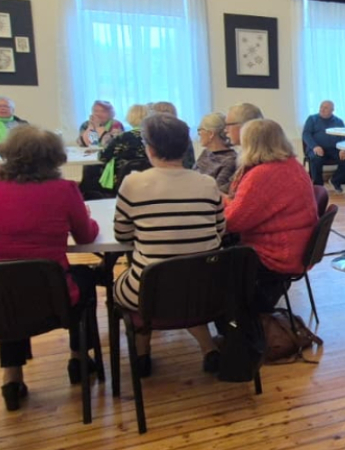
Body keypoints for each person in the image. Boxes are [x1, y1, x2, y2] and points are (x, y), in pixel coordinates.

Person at [0, 126, 100, 409]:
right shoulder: (63, 190)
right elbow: (86, 236)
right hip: (47, 298)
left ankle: (11, 376)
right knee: (84, 278)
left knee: (7, 280)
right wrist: (87, 216)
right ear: (54, 158)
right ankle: (78, 358)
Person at [112, 115, 225, 375]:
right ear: (186, 147)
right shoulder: (207, 183)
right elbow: (220, 229)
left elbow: (122, 236)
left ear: (149, 148)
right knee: (183, 279)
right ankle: (209, 349)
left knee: (133, 284)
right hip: (204, 289)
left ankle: (142, 356)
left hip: (150, 289)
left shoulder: (133, 183)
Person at [225, 119, 319, 312]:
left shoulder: (261, 175)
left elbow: (232, 222)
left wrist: (220, 199)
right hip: (299, 248)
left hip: (277, 254)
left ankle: (232, 319)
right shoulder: (293, 165)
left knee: (210, 261)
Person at [302, 100, 345, 192]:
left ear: (332, 110)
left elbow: (343, 137)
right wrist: (315, 146)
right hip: (316, 148)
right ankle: (318, 187)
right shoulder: (312, 119)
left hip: (334, 149)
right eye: (321, 107)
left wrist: (343, 149)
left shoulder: (338, 121)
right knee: (316, 159)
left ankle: (335, 181)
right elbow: (306, 134)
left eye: (325, 108)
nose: (322, 109)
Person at [194, 112, 238, 193]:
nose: (199, 133)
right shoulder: (206, 153)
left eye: (200, 129)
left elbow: (217, 192)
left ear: (211, 134)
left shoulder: (230, 160)